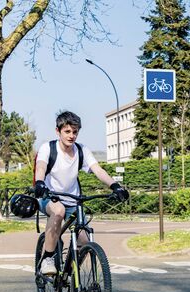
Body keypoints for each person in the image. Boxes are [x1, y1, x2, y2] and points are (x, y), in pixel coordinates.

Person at [34, 111, 129, 275]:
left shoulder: (81, 150)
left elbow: (98, 170)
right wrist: (39, 182)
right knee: (58, 211)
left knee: (85, 240)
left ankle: (69, 273)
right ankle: (48, 258)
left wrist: (115, 186)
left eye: (75, 132)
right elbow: (41, 166)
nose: (71, 136)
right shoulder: (48, 148)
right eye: (67, 131)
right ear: (58, 131)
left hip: (73, 201)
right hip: (48, 197)